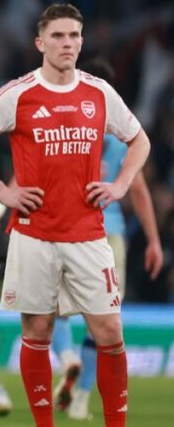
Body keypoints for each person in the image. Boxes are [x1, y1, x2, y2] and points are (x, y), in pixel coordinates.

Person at [0, 4, 150, 427]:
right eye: (57, 36)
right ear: (40, 43)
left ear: (82, 41)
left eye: (74, 35)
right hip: (34, 236)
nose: (67, 43)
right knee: (37, 333)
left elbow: (139, 140)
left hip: (89, 235)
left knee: (110, 333)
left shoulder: (99, 92)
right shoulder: (15, 94)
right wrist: (4, 192)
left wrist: (120, 186)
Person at [29, 58, 162, 421]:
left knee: (54, 311)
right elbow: (138, 190)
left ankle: (67, 359)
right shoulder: (120, 135)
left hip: (62, 230)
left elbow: (30, 179)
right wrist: (153, 239)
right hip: (110, 235)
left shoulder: (57, 124)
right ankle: (83, 398)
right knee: (103, 321)